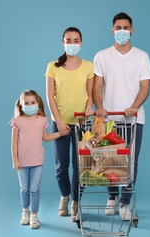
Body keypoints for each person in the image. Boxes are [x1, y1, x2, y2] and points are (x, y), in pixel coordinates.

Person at [93, 12, 150, 221]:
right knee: (110, 159)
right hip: (110, 118)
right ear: (112, 30)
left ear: (132, 30)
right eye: (118, 28)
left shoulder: (142, 56)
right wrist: (100, 106)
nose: (122, 31)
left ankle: (125, 202)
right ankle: (112, 197)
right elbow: (97, 85)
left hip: (134, 119)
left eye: (125, 28)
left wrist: (133, 106)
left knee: (130, 161)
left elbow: (145, 87)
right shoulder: (102, 56)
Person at [45, 27, 94, 221]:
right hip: (60, 122)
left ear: (81, 42)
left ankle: (76, 202)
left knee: (80, 166)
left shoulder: (88, 66)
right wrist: (59, 122)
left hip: (82, 123)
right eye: (68, 40)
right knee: (61, 166)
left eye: (76, 40)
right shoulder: (52, 66)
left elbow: (90, 95)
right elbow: (49, 97)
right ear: (62, 42)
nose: (72, 44)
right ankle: (64, 196)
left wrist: (89, 107)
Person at [10, 89, 62, 229]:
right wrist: (15, 160)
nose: (30, 105)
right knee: (24, 189)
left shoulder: (42, 120)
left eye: (32, 102)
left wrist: (59, 133)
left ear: (37, 102)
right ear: (21, 105)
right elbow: (14, 142)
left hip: (37, 161)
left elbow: (45, 138)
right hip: (22, 161)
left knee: (34, 189)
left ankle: (34, 215)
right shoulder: (17, 121)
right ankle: (25, 212)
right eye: (26, 103)